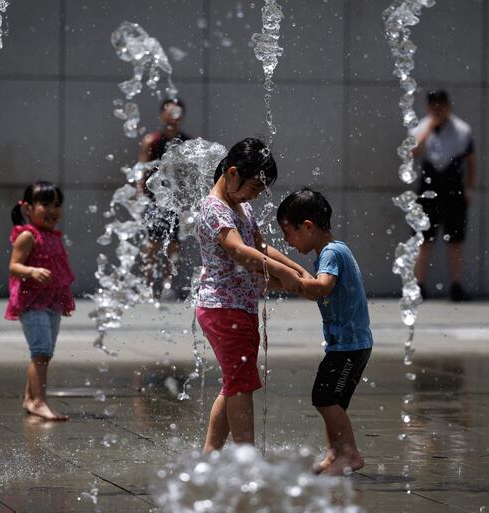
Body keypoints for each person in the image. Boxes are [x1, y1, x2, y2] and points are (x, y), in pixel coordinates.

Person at [196, 137, 308, 452]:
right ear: (233, 173)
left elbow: (259, 247)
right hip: (222, 307)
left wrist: (296, 269)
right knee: (242, 384)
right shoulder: (214, 208)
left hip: (239, 307)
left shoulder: (240, 206)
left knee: (235, 382)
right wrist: (282, 274)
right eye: (254, 188)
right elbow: (238, 251)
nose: (255, 196)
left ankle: (210, 454)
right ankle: (247, 459)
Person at [276, 187, 373, 476]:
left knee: (325, 399)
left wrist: (291, 277)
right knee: (332, 401)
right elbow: (316, 289)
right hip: (346, 345)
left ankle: (350, 455)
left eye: (288, 233)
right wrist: (283, 283)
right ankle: (334, 455)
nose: (286, 241)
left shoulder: (331, 252)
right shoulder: (332, 252)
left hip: (349, 346)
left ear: (307, 226)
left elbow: (323, 287)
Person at [6, 181, 75, 421]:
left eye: (57, 205)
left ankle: (29, 398)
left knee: (43, 353)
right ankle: (39, 402)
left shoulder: (54, 236)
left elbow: (60, 272)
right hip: (31, 303)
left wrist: (65, 300)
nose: (52, 210)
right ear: (28, 208)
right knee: (41, 352)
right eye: (45, 204)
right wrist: (31, 271)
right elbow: (13, 266)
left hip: (51, 304)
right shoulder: (27, 236)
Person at [410, 90, 476, 302]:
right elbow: (413, 152)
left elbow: (471, 162)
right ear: (428, 107)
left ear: (448, 106)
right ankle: (419, 285)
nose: (438, 110)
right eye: (434, 106)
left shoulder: (462, 130)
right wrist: (429, 127)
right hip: (429, 189)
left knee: (455, 240)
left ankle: (456, 285)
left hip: (453, 189)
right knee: (424, 240)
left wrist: (468, 189)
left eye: (442, 105)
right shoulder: (421, 128)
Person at [138, 97, 191, 297]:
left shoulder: (186, 142)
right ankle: (147, 283)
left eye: (177, 112)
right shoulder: (152, 140)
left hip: (176, 200)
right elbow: (142, 170)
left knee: (175, 243)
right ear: (162, 115)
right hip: (155, 199)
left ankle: (168, 284)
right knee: (153, 243)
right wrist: (142, 195)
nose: (173, 116)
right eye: (169, 112)